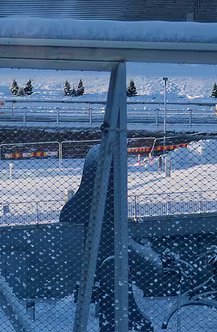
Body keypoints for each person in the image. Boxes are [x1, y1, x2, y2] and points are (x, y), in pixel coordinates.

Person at [61, 128, 154, 332]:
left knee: (109, 293)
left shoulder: (95, 169)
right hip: (109, 249)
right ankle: (128, 322)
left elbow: (70, 213)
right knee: (114, 291)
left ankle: (119, 322)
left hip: (101, 250)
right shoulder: (109, 180)